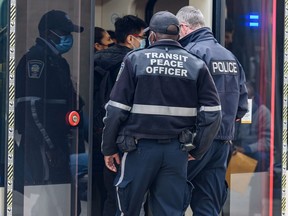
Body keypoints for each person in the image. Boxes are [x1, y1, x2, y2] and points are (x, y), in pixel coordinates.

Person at [101, 11, 222, 216]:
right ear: (178, 35)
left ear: (153, 36)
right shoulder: (195, 64)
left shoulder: (135, 60)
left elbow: (115, 110)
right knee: (169, 211)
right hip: (177, 151)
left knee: (127, 209)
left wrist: (108, 147)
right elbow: (213, 114)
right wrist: (198, 150)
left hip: (139, 150)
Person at [176, 6, 248, 215]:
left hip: (194, 143)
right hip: (222, 144)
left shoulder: (190, 54)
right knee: (208, 205)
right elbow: (242, 106)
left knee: (172, 199)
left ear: (183, 27)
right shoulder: (230, 56)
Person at [14, 9, 83, 215]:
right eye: (64, 33)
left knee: (64, 200)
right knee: (47, 194)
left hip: (58, 141)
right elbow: (31, 108)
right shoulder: (36, 60)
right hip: (43, 143)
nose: (68, 38)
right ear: (49, 33)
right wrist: (49, 145)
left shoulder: (59, 61)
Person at [93, 15, 147, 216]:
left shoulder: (96, 58)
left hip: (98, 130)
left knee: (106, 191)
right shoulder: (131, 62)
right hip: (120, 135)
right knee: (122, 194)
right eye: (142, 37)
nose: (144, 42)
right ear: (131, 38)